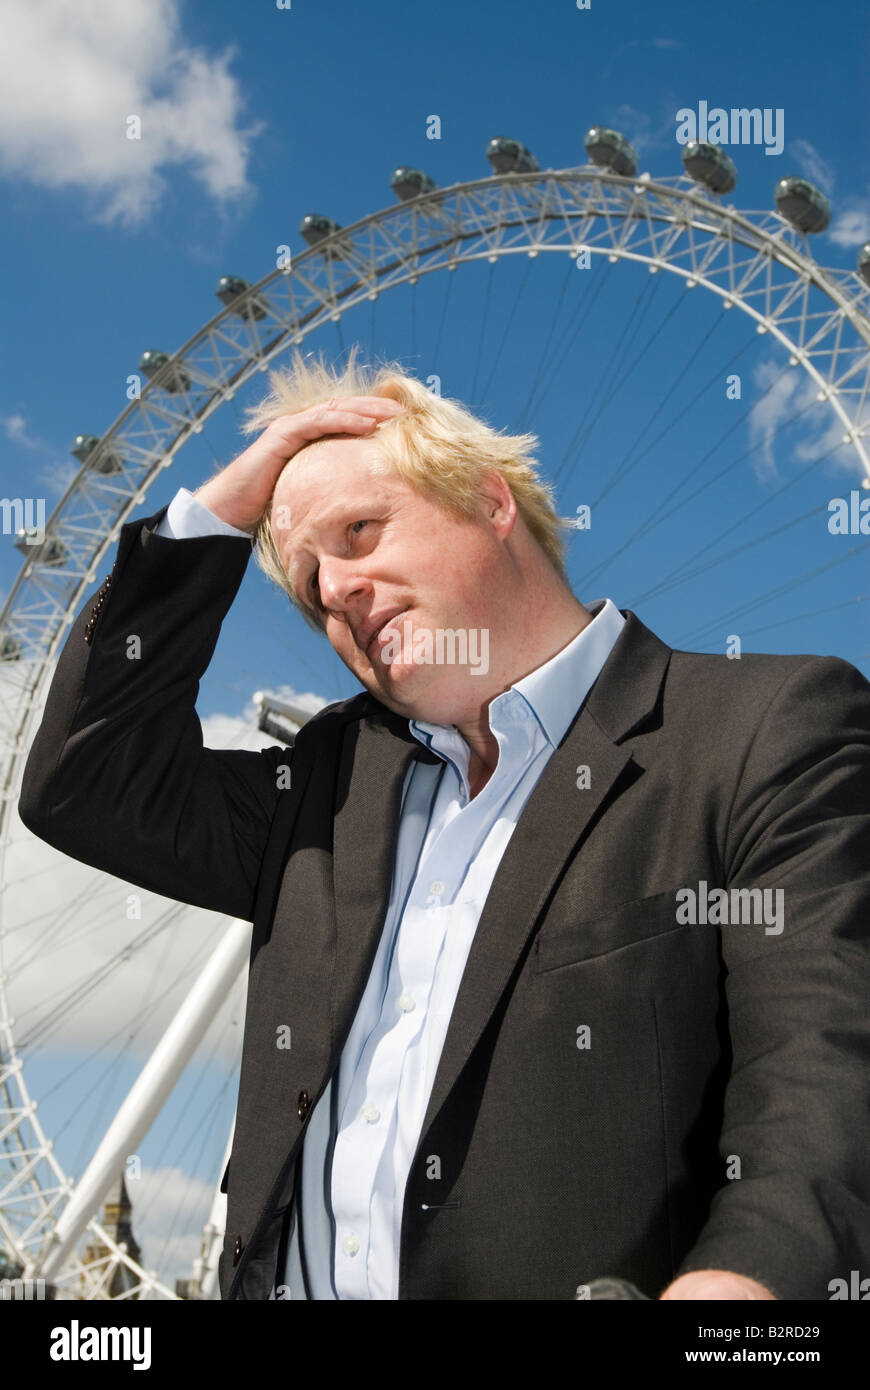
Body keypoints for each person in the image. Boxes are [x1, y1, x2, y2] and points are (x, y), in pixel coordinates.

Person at [18, 346, 870, 1301]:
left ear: (488, 502)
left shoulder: (759, 732)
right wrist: (215, 516)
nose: (337, 590)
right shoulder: (322, 796)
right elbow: (82, 783)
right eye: (309, 587)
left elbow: (826, 1078)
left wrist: (740, 1297)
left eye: (361, 530)